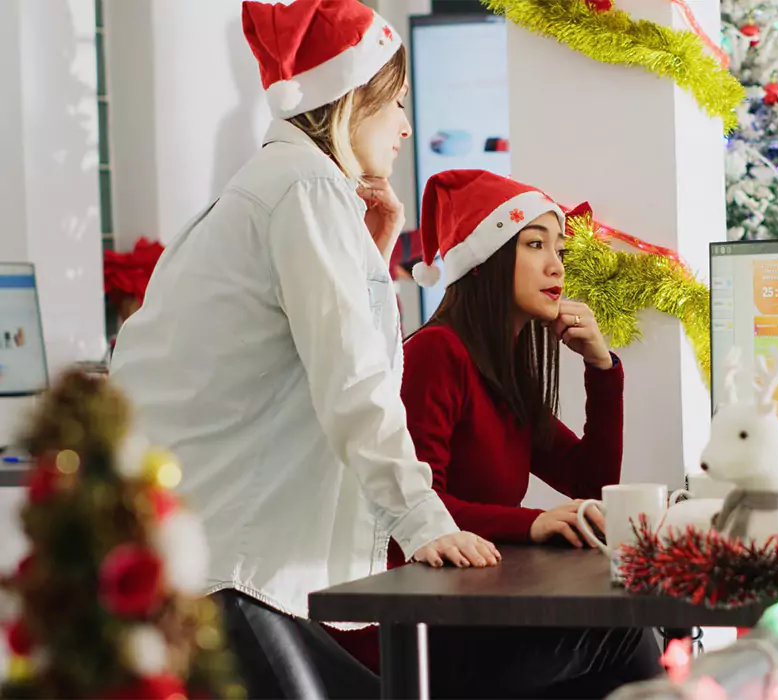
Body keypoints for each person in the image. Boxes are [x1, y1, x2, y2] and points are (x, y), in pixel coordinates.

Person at [108, 2, 499, 696]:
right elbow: (354, 383)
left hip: (209, 561)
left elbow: (318, 351)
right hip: (230, 572)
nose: (408, 126)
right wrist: (422, 521)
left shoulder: (279, 187)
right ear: (352, 99)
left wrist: (371, 262)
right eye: (398, 104)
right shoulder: (305, 190)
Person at [332, 170, 664, 699]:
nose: (557, 265)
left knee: (628, 632)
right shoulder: (437, 354)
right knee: (626, 636)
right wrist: (533, 523)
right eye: (535, 245)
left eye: (559, 248)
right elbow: (416, 509)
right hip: (411, 633)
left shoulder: (504, 373)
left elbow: (592, 482)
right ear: (486, 258)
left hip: (466, 609)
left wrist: (603, 369)